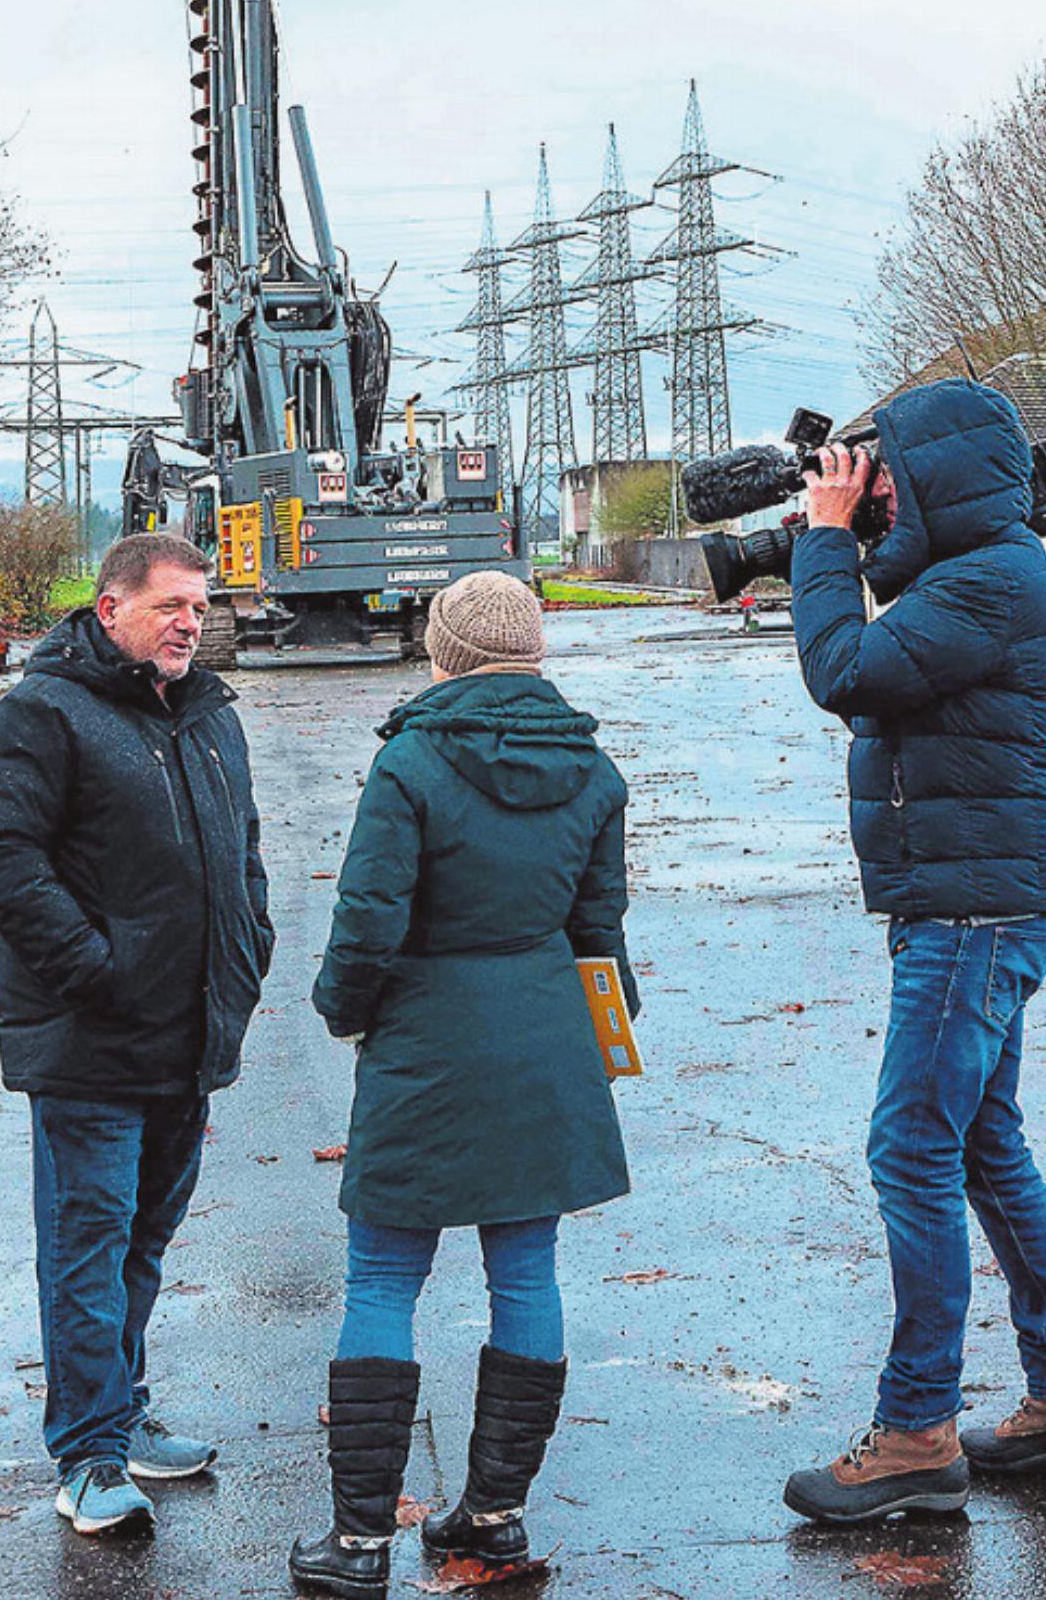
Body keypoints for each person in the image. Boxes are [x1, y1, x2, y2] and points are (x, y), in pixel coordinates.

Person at [780, 378, 1046, 1525]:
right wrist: (826, 546)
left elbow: (846, 673)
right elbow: (881, 627)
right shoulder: (978, 575)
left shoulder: (990, 581)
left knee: (911, 1148)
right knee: (980, 1143)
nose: (870, 490)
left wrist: (828, 547)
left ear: (936, 475)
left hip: (973, 913)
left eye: (886, 473)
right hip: (977, 898)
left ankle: (919, 1426)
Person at [289, 569, 637, 1600]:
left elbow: (367, 921)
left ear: (443, 652)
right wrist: (606, 1037)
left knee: (383, 1280)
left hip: (426, 1050)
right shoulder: (594, 769)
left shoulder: (410, 763)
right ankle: (492, 1516)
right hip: (544, 1046)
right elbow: (599, 930)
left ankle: (357, 1544)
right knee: (526, 1277)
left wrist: (342, 1007)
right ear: (534, 654)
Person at [0, 533, 272, 1535]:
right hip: (92, 1041)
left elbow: (245, 855)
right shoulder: (43, 715)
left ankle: (121, 1417)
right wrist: (96, 969)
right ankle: (88, 1456)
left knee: (143, 1239)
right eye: (170, 605)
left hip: (188, 1036)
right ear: (109, 610)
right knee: (88, 1244)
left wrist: (247, 950)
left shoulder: (209, 718)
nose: (190, 621)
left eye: (199, 604)